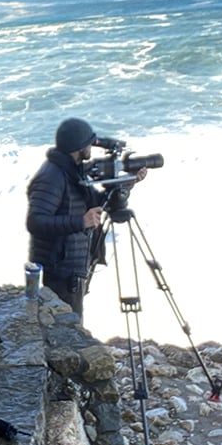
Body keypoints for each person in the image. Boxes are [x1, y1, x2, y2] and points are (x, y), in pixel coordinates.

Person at [26, 117, 145, 320]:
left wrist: (127, 184)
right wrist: (80, 222)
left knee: (72, 322)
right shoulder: (52, 176)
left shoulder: (71, 171)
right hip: (60, 271)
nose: (92, 147)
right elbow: (35, 222)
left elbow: (97, 204)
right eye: (89, 143)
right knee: (66, 325)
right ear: (79, 147)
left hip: (71, 267)